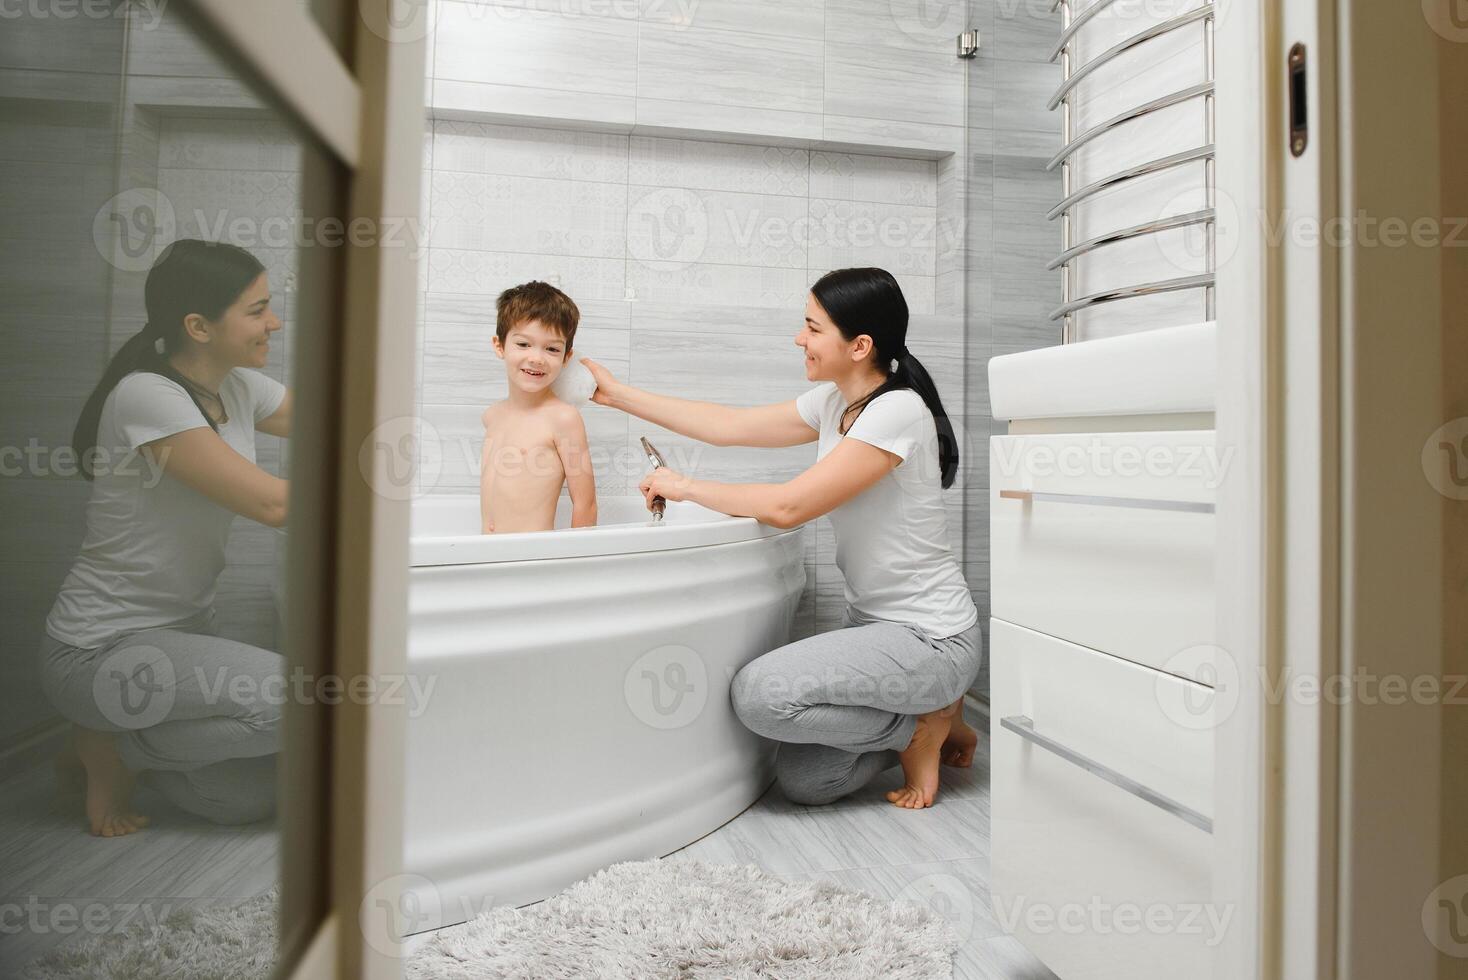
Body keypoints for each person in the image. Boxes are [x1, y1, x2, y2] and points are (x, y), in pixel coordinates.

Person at [582, 267, 981, 810]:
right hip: (875, 628)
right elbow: (728, 425)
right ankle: (934, 720)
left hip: (931, 638)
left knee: (759, 696)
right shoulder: (835, 403)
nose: (800, 338)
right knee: (807, 781)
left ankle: (921, 729)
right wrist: (620, 395)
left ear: (859, 345)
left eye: (813, 328)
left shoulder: (897, 411)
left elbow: (788, 507)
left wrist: (685, 487)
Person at [42, 239, 291, 836]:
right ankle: (111, 753)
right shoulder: (147, 395)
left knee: (251, 798)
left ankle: (129, 741)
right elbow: (270, 503)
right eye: (257, 310)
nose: (274, 323)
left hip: (181, 636)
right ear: (198, 326)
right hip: (99, 649)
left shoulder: (235, 387)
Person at [479, 281, 596, 534]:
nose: (536, 358)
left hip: (530, 559)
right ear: (499, 346)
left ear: (566, 357)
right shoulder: (492, 416)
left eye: (552, 349)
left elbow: (585, 503)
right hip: (487, 555)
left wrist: (580, 566)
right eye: (523, 344)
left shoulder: (563, 419)